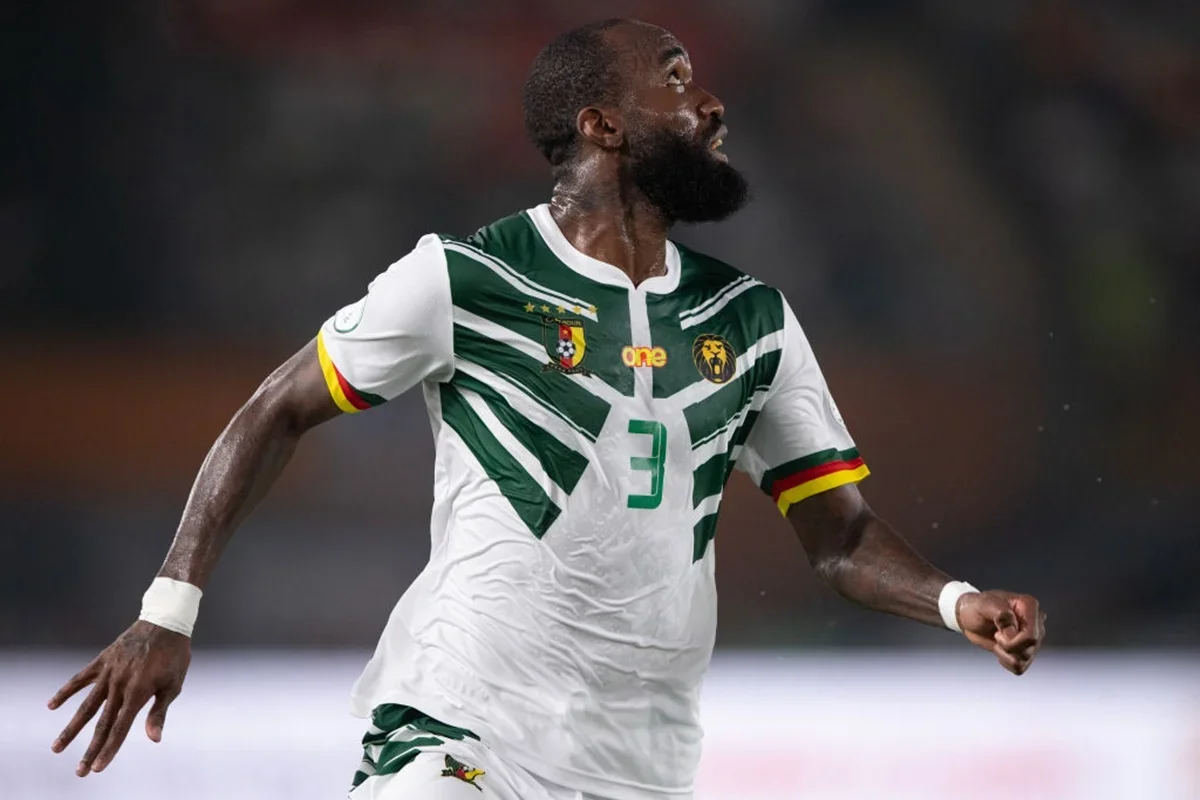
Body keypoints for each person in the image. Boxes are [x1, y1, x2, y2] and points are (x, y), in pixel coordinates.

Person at [48, 18, 1046, 800]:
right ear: (601, 124)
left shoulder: (751, 321)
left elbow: (841, 537)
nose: (710, 101)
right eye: (675, 78)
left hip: (642, 761)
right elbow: (275, 409)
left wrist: (956, 601)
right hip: (465, 727)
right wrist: (167, 611)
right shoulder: (466, 279)